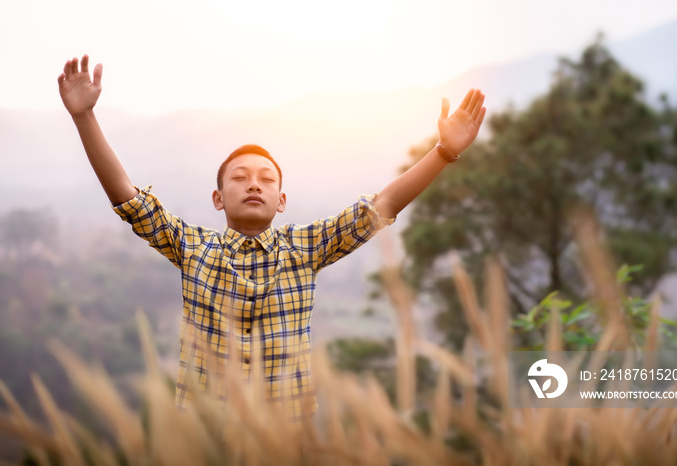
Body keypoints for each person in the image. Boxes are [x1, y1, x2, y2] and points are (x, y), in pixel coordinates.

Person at [58, 54, 486, 421]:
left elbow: (382, 207)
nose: (253, 185)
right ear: (217, 197)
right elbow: (127, 197)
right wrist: (84, 116)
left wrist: (444, 152)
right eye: (239, 178)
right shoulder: (192, 247)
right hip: (204, 433)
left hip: (284, 436)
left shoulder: (305, 248)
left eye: (266, 179)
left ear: (281, 201)